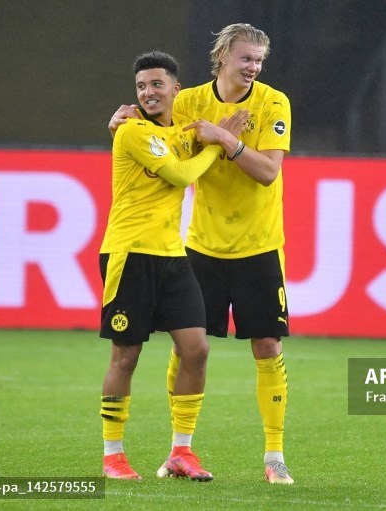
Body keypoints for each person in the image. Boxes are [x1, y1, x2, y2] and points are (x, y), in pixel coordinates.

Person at [108, 24, 294, 484]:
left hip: (260, 244)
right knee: (188, 348)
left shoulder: (273, 102)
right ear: (222, 58)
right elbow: (148, 135)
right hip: (201, 246)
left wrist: (227, 141)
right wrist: (119, 122)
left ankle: (274, 458)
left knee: (268, 346)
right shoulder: (189, 101)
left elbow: (269, 172)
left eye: (258, 61)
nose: (253, 67)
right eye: (245, 58)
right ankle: (180, 450)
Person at [99, 50, 248, 481]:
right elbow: (183, 177)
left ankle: (181, 451)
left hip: (171, 256)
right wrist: (220, 140)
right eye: (142, 86)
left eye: (156, 84)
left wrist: (213, 136)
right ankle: (113, 456)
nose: (148, 92)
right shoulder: (131, 133)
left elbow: (189, 155)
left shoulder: (184, 132)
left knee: (196, 349)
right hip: (129, 253)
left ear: (175, 90)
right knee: (126, 356)